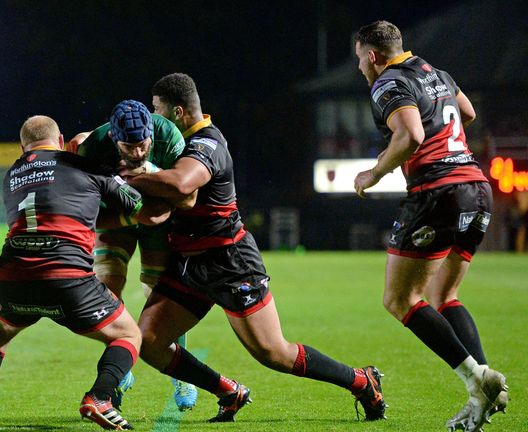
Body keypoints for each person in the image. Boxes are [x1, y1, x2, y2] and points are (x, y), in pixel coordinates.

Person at [120, 72, 386, 423]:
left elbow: (183, 183)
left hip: (230, 262)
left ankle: (360, 380)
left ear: (179, 113)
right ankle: (228, 391)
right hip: (190, 264)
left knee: (273, 353)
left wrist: (126, 177)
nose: (152, 120)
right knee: (150, 341)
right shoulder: (173, 147)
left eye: (157, 111)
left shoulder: (207, 143)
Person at [0, 115, 170, 430]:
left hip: (14, 278)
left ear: (22, 147)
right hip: (67, 278)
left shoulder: (12, 174)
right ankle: (101, 396)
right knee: (128, 334)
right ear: (60, 141)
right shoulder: (82, 166)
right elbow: (139, 207)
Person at [352, 21, 508, 432]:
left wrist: (375, 172)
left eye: (359, 59)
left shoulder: (388, 82)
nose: (361, 68)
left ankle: (477, 379)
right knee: (445, 293)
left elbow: (410, 135)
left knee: (399, 299)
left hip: (438, 192)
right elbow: (468, 113)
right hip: (476, 187)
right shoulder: (435, 72)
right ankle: (483, 389)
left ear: (371, 56)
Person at [70, 100, 199, 410]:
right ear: (114, 140)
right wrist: (130, 216)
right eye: (130, 146)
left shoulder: (169, 137)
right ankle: (120, 360)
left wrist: (144, 177)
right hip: (117, 220)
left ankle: (181, 376)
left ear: (151, 134)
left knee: (160, 298)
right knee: (106, 290)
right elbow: (85, 214)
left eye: (143, 144)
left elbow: (186, 197)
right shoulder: (93, 149)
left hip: (160, 219)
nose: (139, 152)